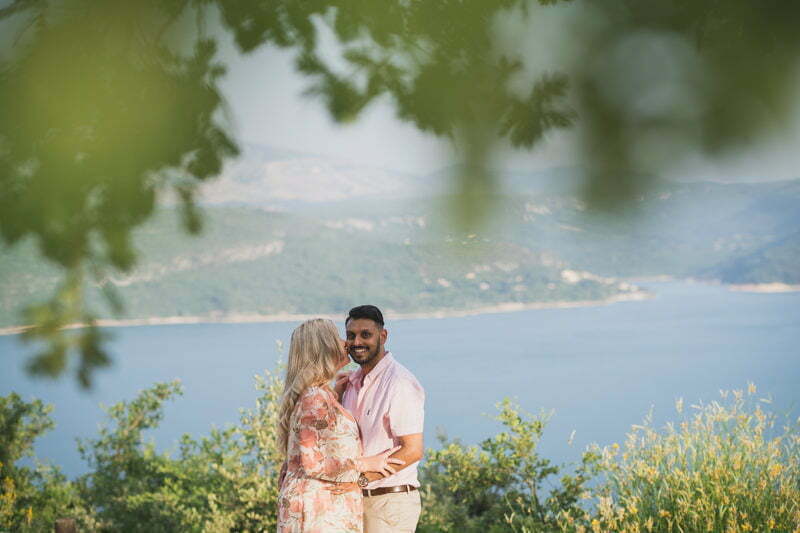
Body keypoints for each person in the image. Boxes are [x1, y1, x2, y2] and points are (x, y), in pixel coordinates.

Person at [277, 318, 404, 533]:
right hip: (319, 511)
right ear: (324, 347)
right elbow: (313, 464)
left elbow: (319, 439)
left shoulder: (320, 395)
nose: (346, 343)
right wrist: (366, 464)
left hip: (323, 506)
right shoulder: (314, 399)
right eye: (338, 337)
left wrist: (335, 396)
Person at [337, 305, 425, 533]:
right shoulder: (351, 383)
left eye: (365, 334)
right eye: (350, 335)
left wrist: (361, 479)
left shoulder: (400, 383)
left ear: (383, 336)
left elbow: (412, 450)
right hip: (354, 502)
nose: (357, 342)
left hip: (388, 503)